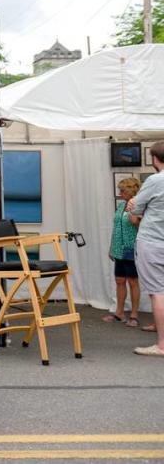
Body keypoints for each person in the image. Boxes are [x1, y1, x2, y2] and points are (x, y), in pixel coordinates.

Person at [127, 141, 164, 354]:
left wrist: (134, 202)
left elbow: (136, 209)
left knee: (158, 292)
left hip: (153, 241)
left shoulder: (155, 180)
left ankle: (161, 344)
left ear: (155, 159)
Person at [104, 177, 142, 328]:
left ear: (131, 191)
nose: (120, 193)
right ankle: (119, 313)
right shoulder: (120, 206)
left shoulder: (138, 205)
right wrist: (111, 247)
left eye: (122, 190)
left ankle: (134, 315)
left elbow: (139, 225)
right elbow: (115, 227)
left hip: (131, 248)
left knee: (133, 282)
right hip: (118, 249)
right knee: (119, 281)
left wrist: (133, 212)